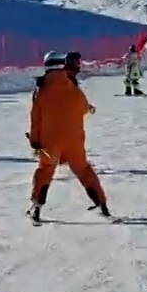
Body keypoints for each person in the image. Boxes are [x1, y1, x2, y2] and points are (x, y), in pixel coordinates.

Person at [28, 51, 109, 222]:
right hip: (74, 140)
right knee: (82, 168)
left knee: (45, 169)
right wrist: (86, 109)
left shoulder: (41, 90)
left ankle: (37, 207)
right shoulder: (73, 87)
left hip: (49, 141)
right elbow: (83, 107)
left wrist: (35, 141)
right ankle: (102, 204)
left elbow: (35, 119)